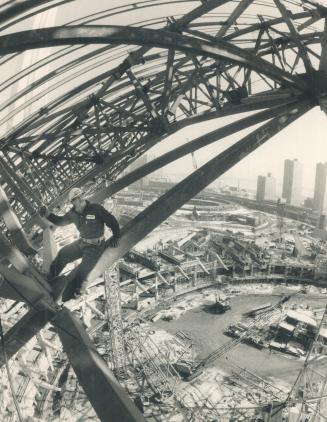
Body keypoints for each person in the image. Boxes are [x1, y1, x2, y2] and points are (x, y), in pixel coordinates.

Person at [39, 187, 120, 301]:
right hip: (82, 243)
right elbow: (61, 221)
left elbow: (111, 221)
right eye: (77, 198)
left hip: (95, 247)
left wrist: (116, 236)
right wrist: (47, 214)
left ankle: (74, 294)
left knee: (83, 271)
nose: (81, 198)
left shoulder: (96, 209)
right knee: (63, 253)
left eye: (81, 195)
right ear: (73, 202)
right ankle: (51, 276)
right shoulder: (72, 214)